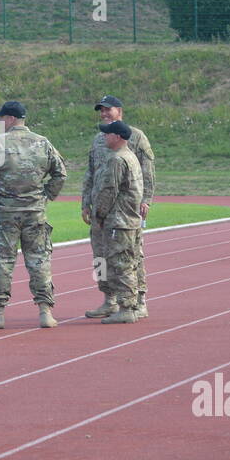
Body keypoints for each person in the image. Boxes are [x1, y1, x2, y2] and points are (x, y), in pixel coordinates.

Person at [0, 101, 66, 329]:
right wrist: (45, 196)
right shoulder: (42, 142)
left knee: (1, 263)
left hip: (6, 212)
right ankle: (45, 312)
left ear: (10, 119)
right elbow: (60, 174)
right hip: (35, 212)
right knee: (39, 261)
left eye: (1, 119)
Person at [83, 95, 156, 319]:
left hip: (123, 210)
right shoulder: (99, 139)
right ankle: (109, 298)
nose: (104, 114)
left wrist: (146, 200)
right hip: (100, 210)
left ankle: (138, 300)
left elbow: (146, 170)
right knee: (100, 256)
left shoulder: (135, 137)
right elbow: (91, 172)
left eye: (108, 110)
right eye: (101, 111)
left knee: (130, 255)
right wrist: (86, 202)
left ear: (120, 111)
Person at [86, 121, 144, 324]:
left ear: (118, 137)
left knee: (121, 264)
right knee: (127, 262)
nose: (104, 137)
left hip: (118, 221)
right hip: (128, 220)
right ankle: (128, 304)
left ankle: (126, 308)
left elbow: (108, 191)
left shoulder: (117, 160)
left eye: (108, 134)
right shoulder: (130, 156)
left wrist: (99, 215)